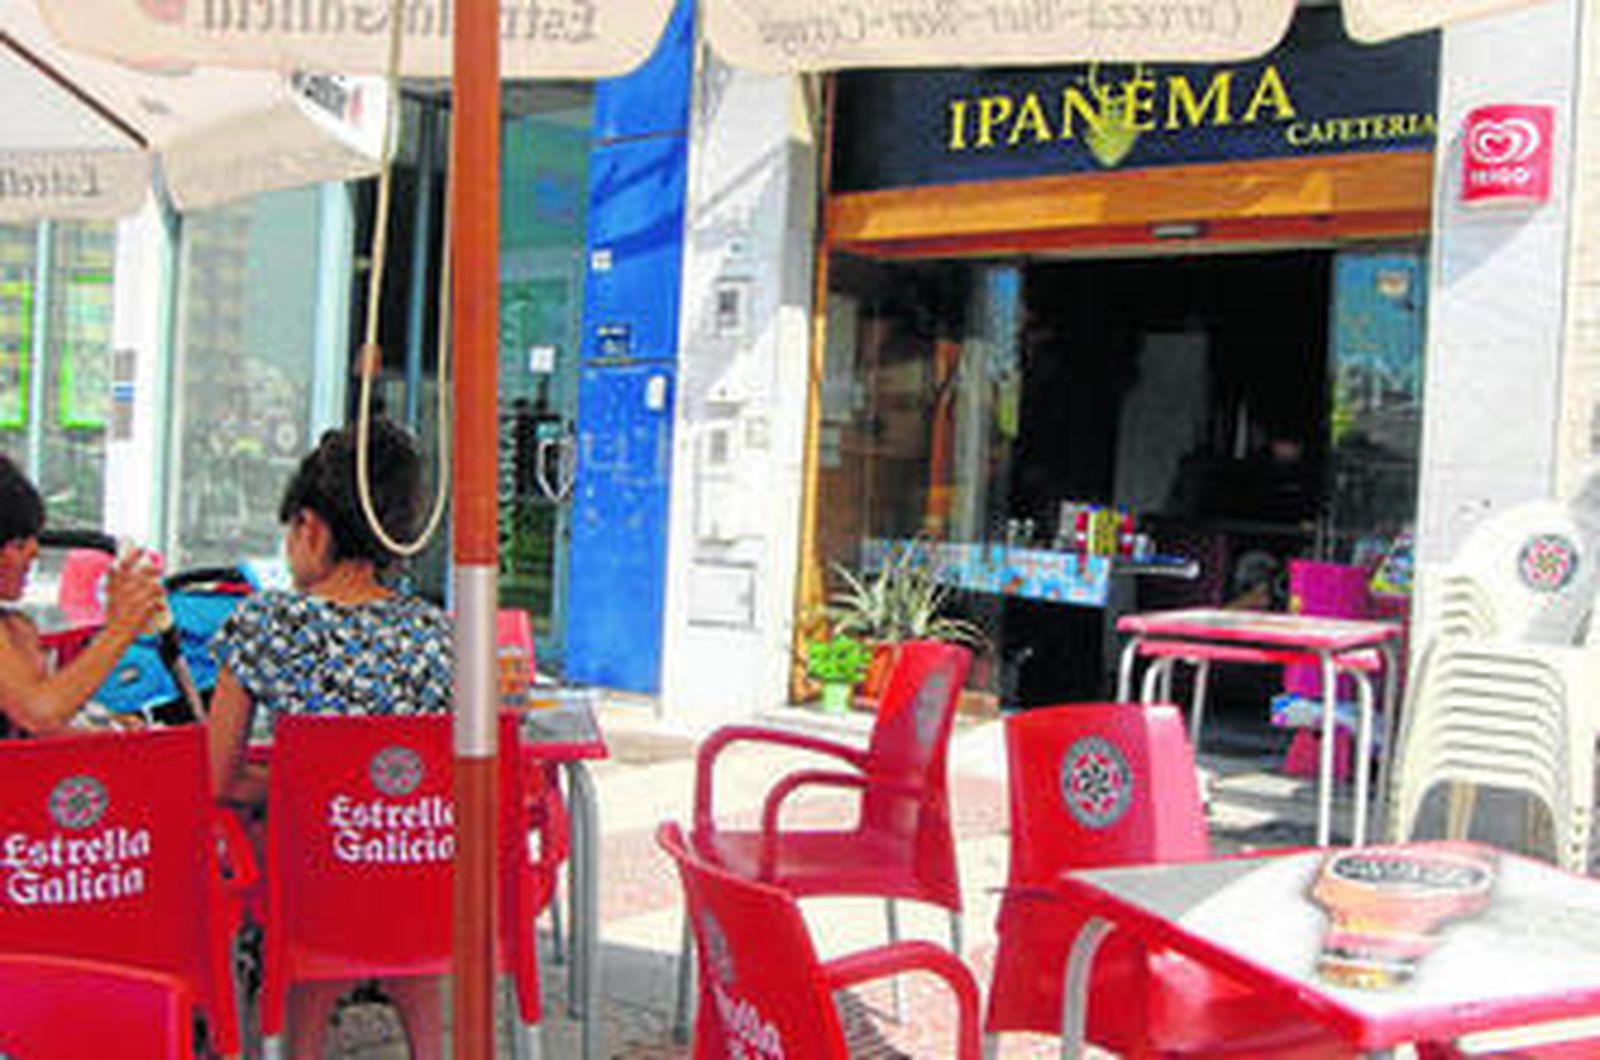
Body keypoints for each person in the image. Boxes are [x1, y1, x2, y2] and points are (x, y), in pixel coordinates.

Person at [206, 419, 451, 1058]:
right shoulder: (442, 632)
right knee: (400, 884)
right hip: (422, 884)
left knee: (304, 878)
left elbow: (217, 778)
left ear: (310, 527)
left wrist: (304, 789)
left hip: (312, 894)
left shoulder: (264, 623)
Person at [0, 454, 165, 735]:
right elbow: (39, 713)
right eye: (18, 543)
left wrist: (109, 730)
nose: (35, 552)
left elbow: (49, 725)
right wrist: (122, 627)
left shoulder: (16, 628)